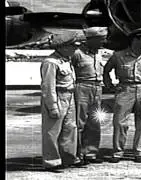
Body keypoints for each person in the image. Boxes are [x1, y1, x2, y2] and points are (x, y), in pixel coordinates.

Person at [103, 27, 141, 163]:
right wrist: (110, 86)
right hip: (126, 89)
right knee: (120, 122)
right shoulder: (118, 56)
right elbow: (106, 70)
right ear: (135, 39)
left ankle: (139, 151)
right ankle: (118, 151)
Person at [40, 32, 84, 172]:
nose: (75, 49)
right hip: (58, 97)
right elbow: (48, 86)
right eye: (72, 46)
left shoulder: (66, 60)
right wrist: (52, 106)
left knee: (70, 128)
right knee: (52, 131)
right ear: (63, 47)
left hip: (69, 96)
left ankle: (68, 158)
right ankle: (51, 161)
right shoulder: (50, 63)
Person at [71, 27, 108, 164]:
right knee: (80, 122)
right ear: (91, 39)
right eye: (101, 40)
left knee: (95, 121)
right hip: (82, 86)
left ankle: (90, 153)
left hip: (97, 88)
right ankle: (77, 153)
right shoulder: (77, 53)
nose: (103, 42)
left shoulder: (98, 53)